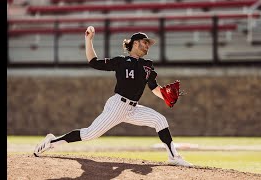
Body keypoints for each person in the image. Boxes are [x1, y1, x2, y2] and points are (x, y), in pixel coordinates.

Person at [33, 26, 193, 167]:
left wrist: (165, 95)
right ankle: (52, 142)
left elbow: (153, 87)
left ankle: (174, 157)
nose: (147, 46)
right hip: (117, 105)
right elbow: (93, 62)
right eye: (145, 42)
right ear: (135, 43)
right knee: (89, 134)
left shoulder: (147, 65)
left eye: (148, 44)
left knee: (160, 120)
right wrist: (88, 40)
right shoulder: (121, 61)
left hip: (133, 108)